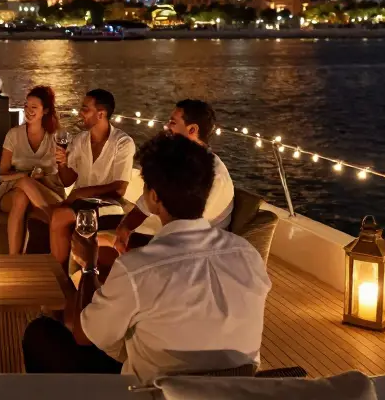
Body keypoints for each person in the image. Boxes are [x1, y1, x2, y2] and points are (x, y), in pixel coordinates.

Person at [22, 133, 271, 381]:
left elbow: (84, 335)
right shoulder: (248, 254)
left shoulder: (138, 268)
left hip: (160, 393)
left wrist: (88, 266)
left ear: (153, 197)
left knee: (40, 334)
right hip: (235, 392)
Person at [107, 99, 234, 261]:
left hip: (201, 251)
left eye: (173, 122)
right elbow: (145, 205)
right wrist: (125, 228)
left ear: (192, 129)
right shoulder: (176, 162)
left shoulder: (213, 176)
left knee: (112, 259)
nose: (167, 127)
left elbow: (186, 230)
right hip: (173, 236)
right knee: (104, 247)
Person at [48, 89, 135, 269]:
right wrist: (62, 164)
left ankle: (59, 275)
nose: (81, 113)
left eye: (85, 109)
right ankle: (63, 273)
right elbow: (66, 181)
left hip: (109, 204)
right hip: (82, 202)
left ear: (101, 114)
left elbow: (120, 189)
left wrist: (81, 193)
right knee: (52, 213)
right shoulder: (80, 140)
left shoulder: (122, 143)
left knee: (60, 215)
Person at [0, 85, 66, 255]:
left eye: (34, 107)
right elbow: (2, 175)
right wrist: (25, 176)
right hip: (11, 189)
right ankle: (52, 219)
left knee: (24, 191)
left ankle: (14, 257)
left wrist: (64, 162)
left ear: (46, 110)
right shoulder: (13, 135)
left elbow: (66, 176)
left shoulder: (57, 136)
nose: (28, 110)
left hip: (47, 189)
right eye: (26, 106)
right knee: (22, 190)